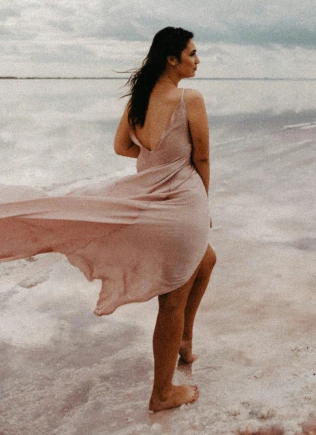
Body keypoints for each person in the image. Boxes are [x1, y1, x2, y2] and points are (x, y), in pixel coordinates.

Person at [0, 26, 216, 413]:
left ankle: (184, 340)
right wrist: (200, 201)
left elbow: (121, 147)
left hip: (152, 199)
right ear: (172, 58)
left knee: (207, 259)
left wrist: (158, 160)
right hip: (181, 204)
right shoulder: (190, 99)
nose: (197, 60)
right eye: (192, 54)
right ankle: (162, 392)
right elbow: (201, 159)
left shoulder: (139, 100)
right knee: (173, 300)